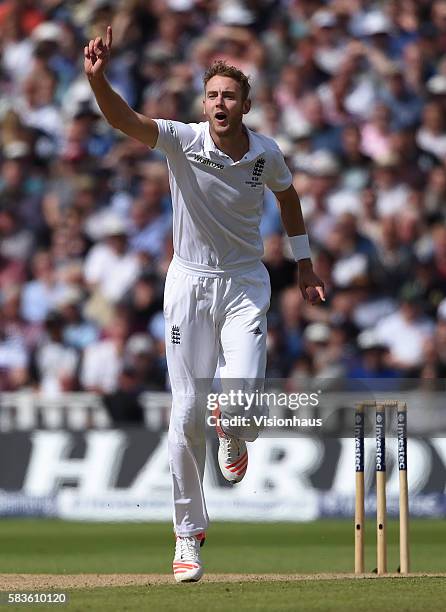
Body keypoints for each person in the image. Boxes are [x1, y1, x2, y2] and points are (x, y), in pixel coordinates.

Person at [84, 26, 325, 583]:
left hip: (245, 282)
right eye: (212, 95)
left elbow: (288, 198)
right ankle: (187, 537)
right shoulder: (183, 140)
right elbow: (125, 121)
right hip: (188, 284)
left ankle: (236, 433)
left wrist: (305, 262)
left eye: (230, 96)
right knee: (188, 412)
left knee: (238, 406)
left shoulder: (266, 153)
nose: (220, 104)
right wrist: (98, 81)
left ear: (246, 105)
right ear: (204, 103)